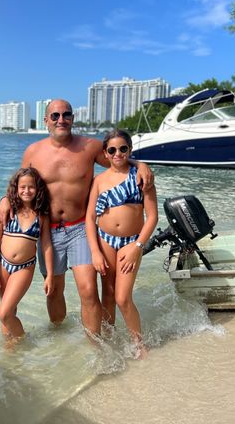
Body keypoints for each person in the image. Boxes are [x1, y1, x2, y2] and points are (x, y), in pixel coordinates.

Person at [0, 99, 154, 337]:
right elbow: (21, 185)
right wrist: (5, 199)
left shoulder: (89, 147)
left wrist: (140, 164)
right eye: (55, 115)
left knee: (89, 290)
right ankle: (59, 338)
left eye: (66, 115)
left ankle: (96, 346)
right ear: (46, 120)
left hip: (80, 227)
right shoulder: (33, 151)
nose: (61, 120)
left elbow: (117, 161)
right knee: (54, 290)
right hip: (48, 232)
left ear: (72, 118)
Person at [85, 129, 158, 357]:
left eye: (123, 149)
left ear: (130, 150)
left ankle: (139, 343)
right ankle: (110, 340)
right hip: (105, 240)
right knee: (107, 293)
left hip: (131, 243)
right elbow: (89, 218)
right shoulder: (98, 181)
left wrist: (138, 247)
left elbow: (152, 216)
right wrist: (95, 252)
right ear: (105, 153)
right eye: (112, 150)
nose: (118, 154)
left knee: (122, 297)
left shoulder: (141, 176)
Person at [0, 167, 54, 341]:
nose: (26, 190)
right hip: (3, 263)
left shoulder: (41, 215)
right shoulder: (7, 211)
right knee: (8, 310)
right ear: (16, 188)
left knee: (4, 312)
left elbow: (46, 244)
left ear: (38, 189)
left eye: (31, 187)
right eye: (22, 187)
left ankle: (24, 341)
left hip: (24, 267)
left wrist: (50, 275)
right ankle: (10, 349)